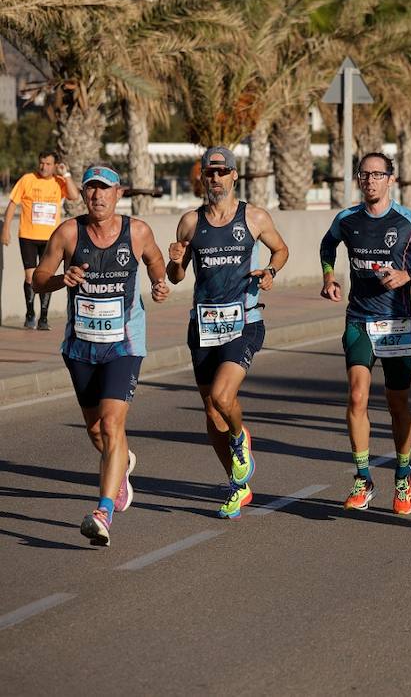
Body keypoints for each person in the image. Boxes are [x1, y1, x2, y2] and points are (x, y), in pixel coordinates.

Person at [32, 165, 170, 545]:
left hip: (124, 344)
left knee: (111, 425)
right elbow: (37, 278)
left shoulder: (136, 231)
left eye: (104, 189)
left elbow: (156, 261)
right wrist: (64, 280)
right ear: (83, 194)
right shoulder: (68, 233)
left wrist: (159, 283)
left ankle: (103, 511)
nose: (97, 196)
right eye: (91, 189)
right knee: (97, 431)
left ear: (118, 193)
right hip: (80, 345)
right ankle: (122, 462)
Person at [166, 147, 289, 519]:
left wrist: (270, 271)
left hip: (245, 321)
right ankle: (239, 486)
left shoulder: (254, 217)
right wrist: (174, 263)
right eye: (209, 172)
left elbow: (281, 250)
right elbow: (177, 277)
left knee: (222, 397)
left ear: (235, 176)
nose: (215, 178)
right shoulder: (190, 222)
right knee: (210, 412)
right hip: (203, 325)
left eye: (222, 171)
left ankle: (240, 439)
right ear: (203, 177)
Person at [320, 152, 411, 514]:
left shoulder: (409, 222)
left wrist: (410, 275)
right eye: (365, 174)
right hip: (358, 319)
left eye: (378, 174)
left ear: (392, 179)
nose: (371, 180)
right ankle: (363, 477)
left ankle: (403, 474)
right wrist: (329, 275)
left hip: (396, 325)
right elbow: (328, 245)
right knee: (357, 397)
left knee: (397, 403)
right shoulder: (347, 219)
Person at [3, 150, 79, 330]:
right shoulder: (27, 179)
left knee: (46, 276)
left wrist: (66, 174)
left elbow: (74, 196)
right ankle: (30, 313)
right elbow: (13, 203)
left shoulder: (59, 182)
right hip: (28, 235)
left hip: (51, 238)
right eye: (42, 163)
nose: (44, 167)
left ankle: (43, 317)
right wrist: (5, 229)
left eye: (48, 164)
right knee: (30, 276)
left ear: (55, 166)